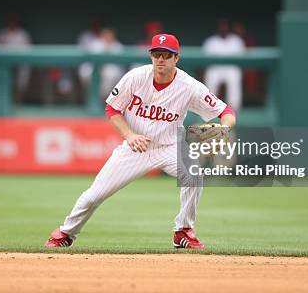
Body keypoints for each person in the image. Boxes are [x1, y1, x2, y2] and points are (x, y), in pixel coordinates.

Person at [45, 33, 236, 249]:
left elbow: (226, 111)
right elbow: (112, 108)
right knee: (94, 195)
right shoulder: (135, 77)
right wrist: (129, 135)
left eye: (166, 55)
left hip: (170, 146)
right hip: (135, 147)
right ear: (151, 56)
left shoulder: (189, 86)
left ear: (177, 58)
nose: (161, 60)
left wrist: (223, 129)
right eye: (157, 55)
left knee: (193, 174)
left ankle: (182, 231)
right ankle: (65, 233)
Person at [202, 19, 246, 111]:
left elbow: (242, 59)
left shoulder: (236, 40)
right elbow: (204, 60)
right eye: (222, 26)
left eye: (225, 26)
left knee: (234, 76)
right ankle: (208, 108)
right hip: (216, 68)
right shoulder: (211, 41)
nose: (223, 28)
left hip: (231, 68)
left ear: (229, 28)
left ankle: (234, 109)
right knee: (211, 76)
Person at [0, 14, 32, 100]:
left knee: (24, 71)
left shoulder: (22, 34)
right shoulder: (3, 33)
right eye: (10, 21)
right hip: (4, 62)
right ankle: (0, 98)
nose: (12, 23)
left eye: (14, 21)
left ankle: (19, 99)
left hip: (20, 61)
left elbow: (28, 49)